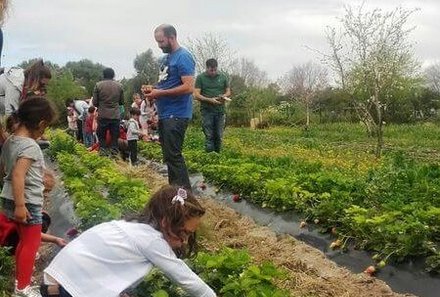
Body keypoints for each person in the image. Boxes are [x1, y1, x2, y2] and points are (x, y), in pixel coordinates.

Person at [41, 185, 216, 297]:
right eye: (183, 233)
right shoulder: (152, 241)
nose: (185, 241)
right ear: (165, 222)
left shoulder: (127, 226)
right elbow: (187, 280)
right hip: (65, 291)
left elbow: (101, 266)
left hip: (55, 280)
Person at [0, 96, 57, 297]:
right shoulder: (30, 146)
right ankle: (22, 287)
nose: (44, 132)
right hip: (27, 202)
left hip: (8, 197)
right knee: (30, 244)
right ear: (41, 124)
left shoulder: (10, 141)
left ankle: (20, 279)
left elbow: (6, 170)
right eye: (46, 127)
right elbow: (18, 174)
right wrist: (21, 205)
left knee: (23, 242)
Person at [145, 24, 195, 190]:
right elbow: (165, 84)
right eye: (157, 42)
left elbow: (188, 87)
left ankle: (185, 198)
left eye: (161, 41)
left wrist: (159, 94)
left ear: (172, 37)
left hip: (177, 114)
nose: (159, 45)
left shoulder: (183, 57)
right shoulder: (165, 59)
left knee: (174, 156)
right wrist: (153, 90)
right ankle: (176, 193)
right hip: (166, 114)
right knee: (169, 157)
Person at [194, 59, 231, 153]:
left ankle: (217, 156)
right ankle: (209, 157)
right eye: (211, 70)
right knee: (209, 135)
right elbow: (196, 95)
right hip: (207, 111)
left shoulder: (223, 77)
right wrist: (209, 100)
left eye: (215, 70)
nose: (213, 72)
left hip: (220, 111)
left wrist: (224, 96)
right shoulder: (200, 78)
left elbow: (228, 91)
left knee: (219, 135)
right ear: (207, 68)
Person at [92, 68, 124, 157]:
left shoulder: (98, 85)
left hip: (103, 115)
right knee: (114, 137)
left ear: (103, 75)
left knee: (101, 136)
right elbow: (121, 102)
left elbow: (94, 102)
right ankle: (114, 155)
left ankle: (103, 153)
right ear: (113, 75)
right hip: (115, 116)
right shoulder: (120, 86)